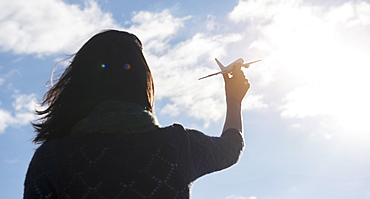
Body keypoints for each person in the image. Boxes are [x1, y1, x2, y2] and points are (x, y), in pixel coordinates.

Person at [24, 30, 250, 199]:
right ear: (142, 81)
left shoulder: (51, 158)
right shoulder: (178, 146)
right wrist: (234, 100)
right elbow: (231, 148)